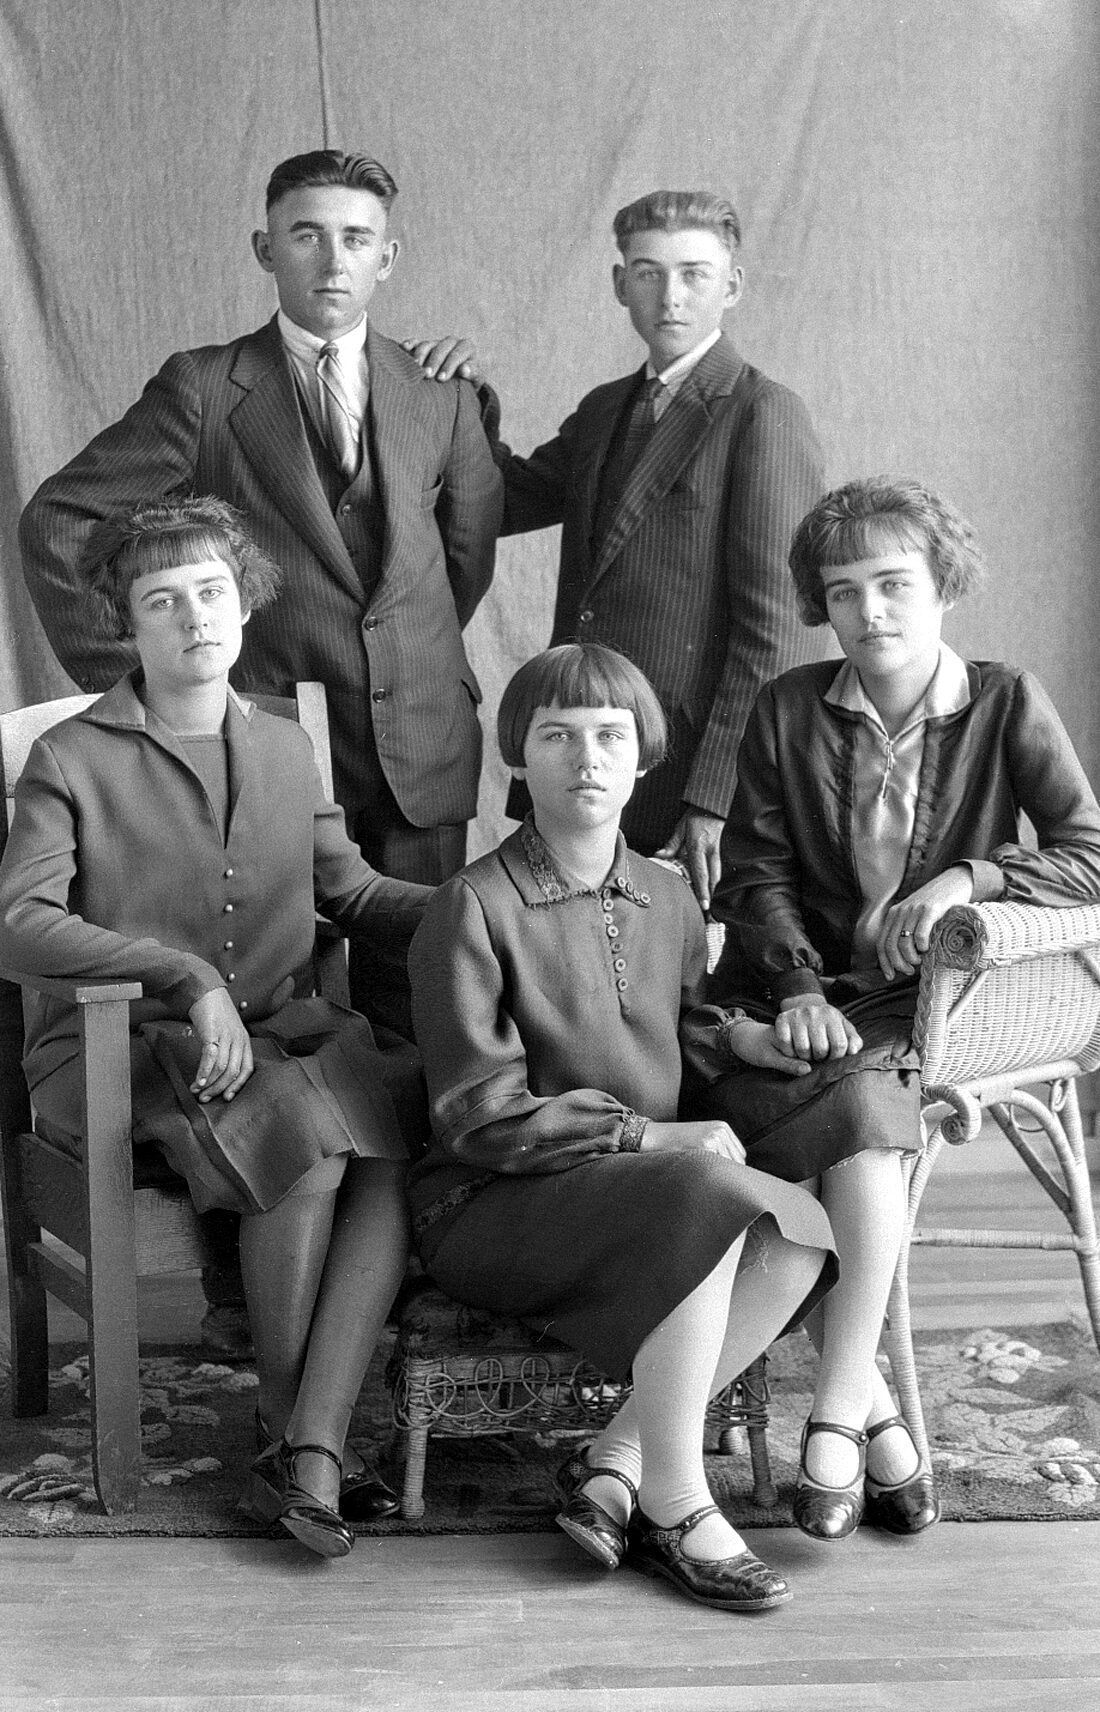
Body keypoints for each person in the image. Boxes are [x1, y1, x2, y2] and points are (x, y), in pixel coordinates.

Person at [18, 147, 502, 1355]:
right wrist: (145, 693)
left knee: (423, 1013)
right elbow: (59, 519)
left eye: (353, 237)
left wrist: (412, 666)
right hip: (272, 734)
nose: (329, 258)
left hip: (418, 744)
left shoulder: (440, 389)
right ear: (264, 249)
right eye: (303, 233)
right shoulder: (204, 385)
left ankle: (429, 1284)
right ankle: (272, 1300)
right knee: (274, 1005)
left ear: (386, 256)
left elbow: (459, 557)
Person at [0, 497, 432, 1558]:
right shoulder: (72, 755)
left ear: (244, 604)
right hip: (116, 1048)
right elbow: (17, 919)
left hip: (277, 1033)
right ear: (126, 625)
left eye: (211, 591)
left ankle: (306, 1441)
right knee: (316, 1130)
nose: (194, 616)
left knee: (403, 1111)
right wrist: (180, 971)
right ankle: (293, 1432)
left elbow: (353, 890)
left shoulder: (286, 747)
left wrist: (493, 901)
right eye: (162, 600)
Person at [684, 477, 1100, 1542]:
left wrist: (969, 876)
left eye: (892, 583)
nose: (869, 611)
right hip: (802, 987)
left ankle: (830, 1403)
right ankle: (870, 1409)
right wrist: (796, 988)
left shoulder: (1004, 700)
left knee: (856, 1119)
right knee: (744, 1087)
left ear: (940, 584)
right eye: (842, 591)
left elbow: (1085, 853)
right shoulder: (787, 706)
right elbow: (754, 872)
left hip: (923, 999)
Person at [407, 642, 836, 1612]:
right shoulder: (469, 903)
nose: (585, 757)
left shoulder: (670, 893)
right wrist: (646, 1134)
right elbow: (475, 1115)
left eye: (609, 735)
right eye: (556, 735)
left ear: (643, 755)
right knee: (704, 1186)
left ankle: (618, 1461)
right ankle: (678, 1504)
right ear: (516, 756)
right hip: (490, 1203)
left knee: (802, 1230)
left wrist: (756, 1038)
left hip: (633, 1195)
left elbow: (687, 1024)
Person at [414, 190, 824, 909]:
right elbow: (499, 501)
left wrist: (718, 797)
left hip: (682, 761)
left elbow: (776, 634)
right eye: (648, 272)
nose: (671, 295)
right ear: (618, 283)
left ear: (732, 286)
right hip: (586, 748)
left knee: (672, 980)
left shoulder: (763, 412)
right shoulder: (608, 407)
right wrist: (461, 400)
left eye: (695, 273)